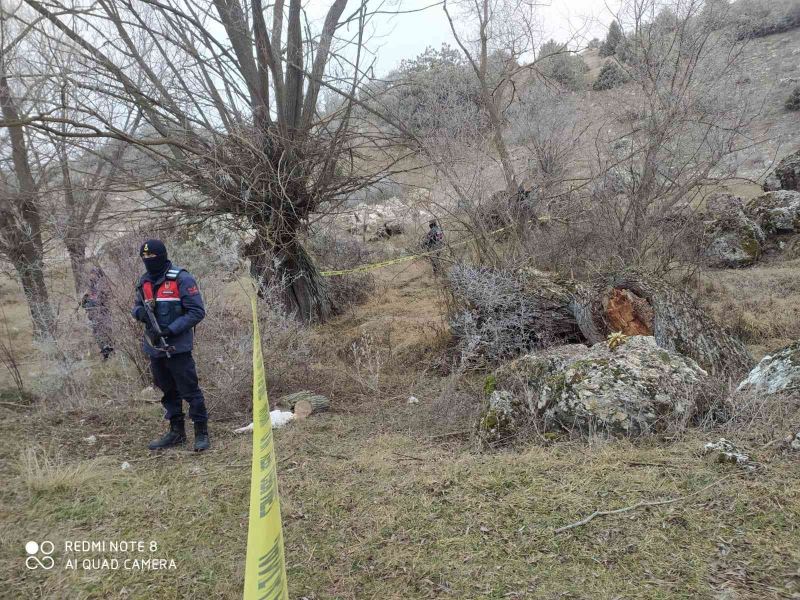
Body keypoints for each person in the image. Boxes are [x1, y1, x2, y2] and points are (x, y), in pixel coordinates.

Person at [131, 239, 210, 451]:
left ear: (163, 256)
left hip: (178, 347)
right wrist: (141, 314)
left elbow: (197, 311)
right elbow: (136, 306)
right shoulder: (144, 281)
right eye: (144, 258)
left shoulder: (181, 279)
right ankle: (176, 432)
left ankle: (201, 433)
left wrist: (171, 330)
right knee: (167, 390)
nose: (148, 261)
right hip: (155, 348)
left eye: (152, 257)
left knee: (190, 390)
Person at [81, 266, 114, 360]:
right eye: (91, 274)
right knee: (97, 335)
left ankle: (110, 352)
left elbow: (104, 300)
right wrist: (87, 301)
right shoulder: (90, 287)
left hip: (103, 314)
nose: (92, 276)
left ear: (98, 274)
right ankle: (105, 354)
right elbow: (83, 303)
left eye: (94, 274)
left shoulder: (103, 285)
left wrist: (93, 301)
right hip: (93, 316)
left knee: (107, 332)